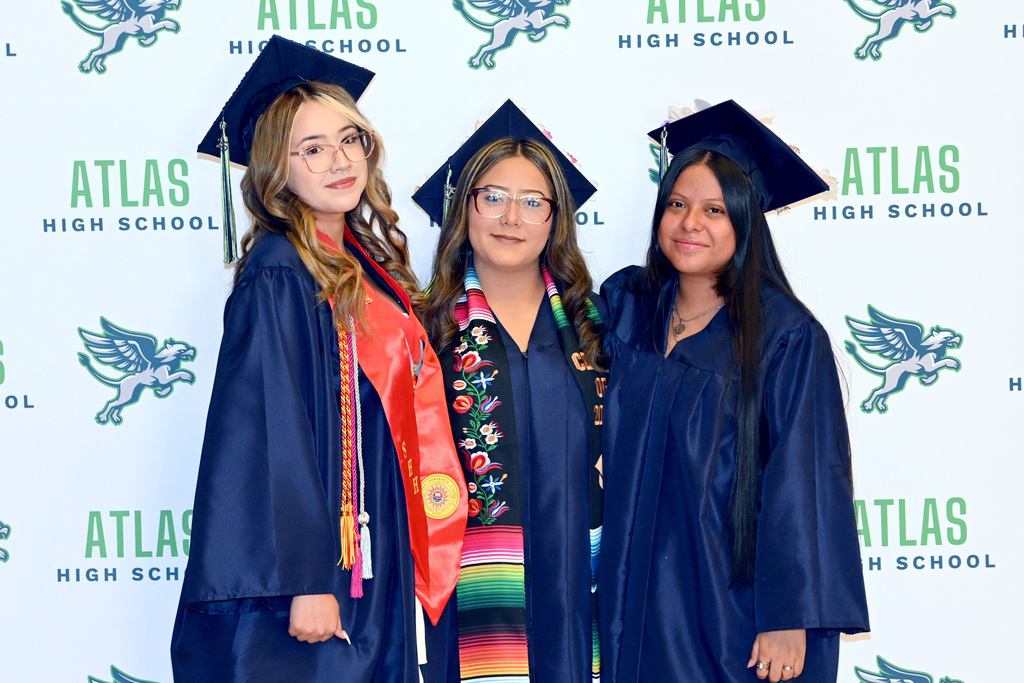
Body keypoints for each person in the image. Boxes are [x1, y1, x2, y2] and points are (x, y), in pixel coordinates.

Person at [171, 36, 466, 682]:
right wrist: (304, 580)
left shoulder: (360, 265)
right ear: (278, 170)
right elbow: (268, 428)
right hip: (315, 570)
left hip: (369, 547)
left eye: (349, 140)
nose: (339, 160)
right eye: (312, 149)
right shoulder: (280, 270)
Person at [598, 100, 869, 683]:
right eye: (677, 204)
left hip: (731, 604)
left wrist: (789, 615)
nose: (690, 223)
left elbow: (806, 479)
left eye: (715, 209)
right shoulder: (625, 306)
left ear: (747, 220)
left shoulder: (786, 336)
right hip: (630, 588)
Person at [412, 100, 606, 682]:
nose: (511, 218)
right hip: (469, 587)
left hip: (582, 579)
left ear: (555, 219)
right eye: (492, 197)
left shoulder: (597, 325)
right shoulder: (426, 330)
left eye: (532, 202)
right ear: (464, 209)